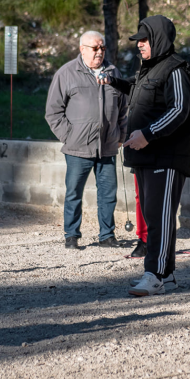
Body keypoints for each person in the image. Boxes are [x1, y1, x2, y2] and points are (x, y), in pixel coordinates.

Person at [101, 15, 190, 297]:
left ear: (158, 40)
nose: (139, 46)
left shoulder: (177, 70)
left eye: (144, 40)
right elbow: (137, 88)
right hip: (145, 157)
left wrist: (148, 133)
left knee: (160, 218)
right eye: (138, 41)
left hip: (166, 157)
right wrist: (114, 83)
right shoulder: (149, 69)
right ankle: (166, 276)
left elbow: (179, 109)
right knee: (155, 217)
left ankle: (153, 274)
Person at [45, 31, 128, 250]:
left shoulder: (113, 72)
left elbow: (123, 109)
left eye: (102, 48)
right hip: (77, 148)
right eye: (95, 48)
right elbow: (53, 112)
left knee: (108, 194)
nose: (99, 52)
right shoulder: (66, 73)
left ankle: (107, 236)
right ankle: (71, 235)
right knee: (74, 193)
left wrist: (121, 135)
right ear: (82, 49)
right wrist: (69, 136)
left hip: (108, 146)